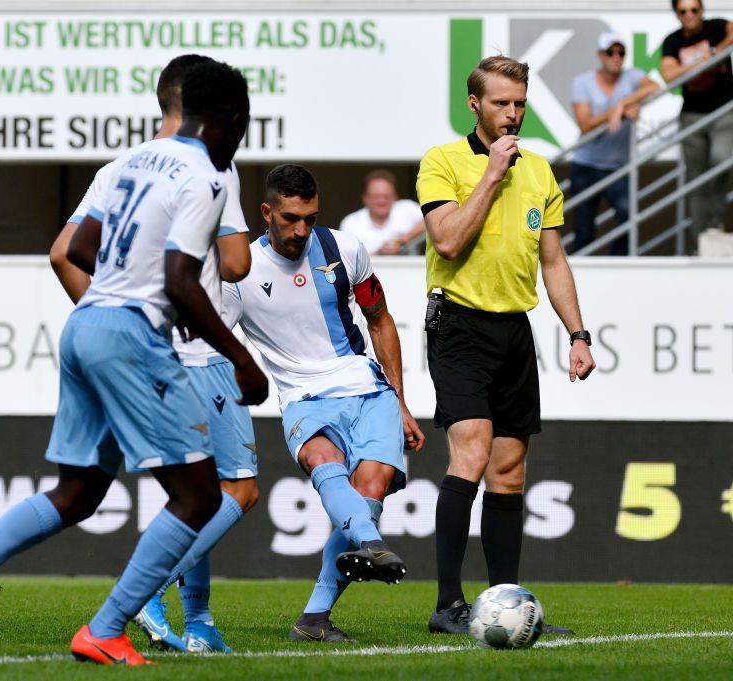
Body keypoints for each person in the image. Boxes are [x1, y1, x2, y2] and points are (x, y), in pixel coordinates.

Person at [0, 60, 268, 666]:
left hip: (86, 324)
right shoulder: (209, 174)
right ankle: (106, 627)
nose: (240, 140)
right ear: (228, 120)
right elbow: (183, 278)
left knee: (78, 492)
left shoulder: (132, 162)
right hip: (131, 337)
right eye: (242, 127)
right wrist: (242, 360)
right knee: (200, 494)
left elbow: (79, 247)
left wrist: (130, 283)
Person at [50, 54, 259, 655]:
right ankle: (142, 596)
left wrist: (110, 312)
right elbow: (238, 263)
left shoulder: (124, 165)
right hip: (198, 349)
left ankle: (197, 621)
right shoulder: (209, 168)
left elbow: (65, 252)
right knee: (234, 491)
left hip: (141, 346)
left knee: (188, 493)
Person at [416, 55, 596, 636]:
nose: (513, 113)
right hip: (458, 324)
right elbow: (446, 242)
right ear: (475, 104)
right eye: (501, 103)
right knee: (471, 451)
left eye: (519, 103)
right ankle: (447, 605)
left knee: (511, 469)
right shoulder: (441, 162)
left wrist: (578, 334)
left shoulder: (541, 170)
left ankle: (509, 606)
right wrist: (492, 174)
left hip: (513, 330)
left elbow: (553, 260)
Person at [222, 164, 425, 643]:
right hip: (301, 396)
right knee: (324, 463)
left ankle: (313, 619)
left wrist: (400, 402)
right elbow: (214, 340)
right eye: (291, 218)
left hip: (364, 386)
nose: (301, 230)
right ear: (266, 212)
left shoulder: (345, 248)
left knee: (369, 488)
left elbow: (380, 320)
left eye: (310, 218)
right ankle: (371, 543)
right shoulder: (240, 273)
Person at [570, 32, 659, 255]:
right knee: (583, 228)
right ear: (600, 55)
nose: (616, 57)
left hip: (619, 167)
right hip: (586, 165)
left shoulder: (632, 76)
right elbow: (585, 125)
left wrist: (621, 105)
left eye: (621, 52)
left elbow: (654, 87)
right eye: (611, 52)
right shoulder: (583, 82)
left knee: (628, 217)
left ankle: (618, 265)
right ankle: (580, 276)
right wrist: (618, 111)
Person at [661, 0, 733, 252]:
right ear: (677, 14)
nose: (690, 15)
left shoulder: (716, 27)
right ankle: (702, 239)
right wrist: (703, 62)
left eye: (694, 9)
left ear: (702, 11)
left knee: (722, 159)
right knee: (696, 180)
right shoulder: (672, 41)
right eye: (683, 11)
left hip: (724, 111)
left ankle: (713, 224)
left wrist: (715, 52)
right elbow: (668, 75)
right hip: (692, 116)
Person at [338, 170, 425, 255]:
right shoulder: (351, 223)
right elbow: (348, 261)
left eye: (386, 196)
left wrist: (403, 240)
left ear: (395, 197)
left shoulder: (407, 208)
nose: (381, 201)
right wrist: (380, 253)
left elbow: (432, 219)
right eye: (376, 196)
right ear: (365, 198)